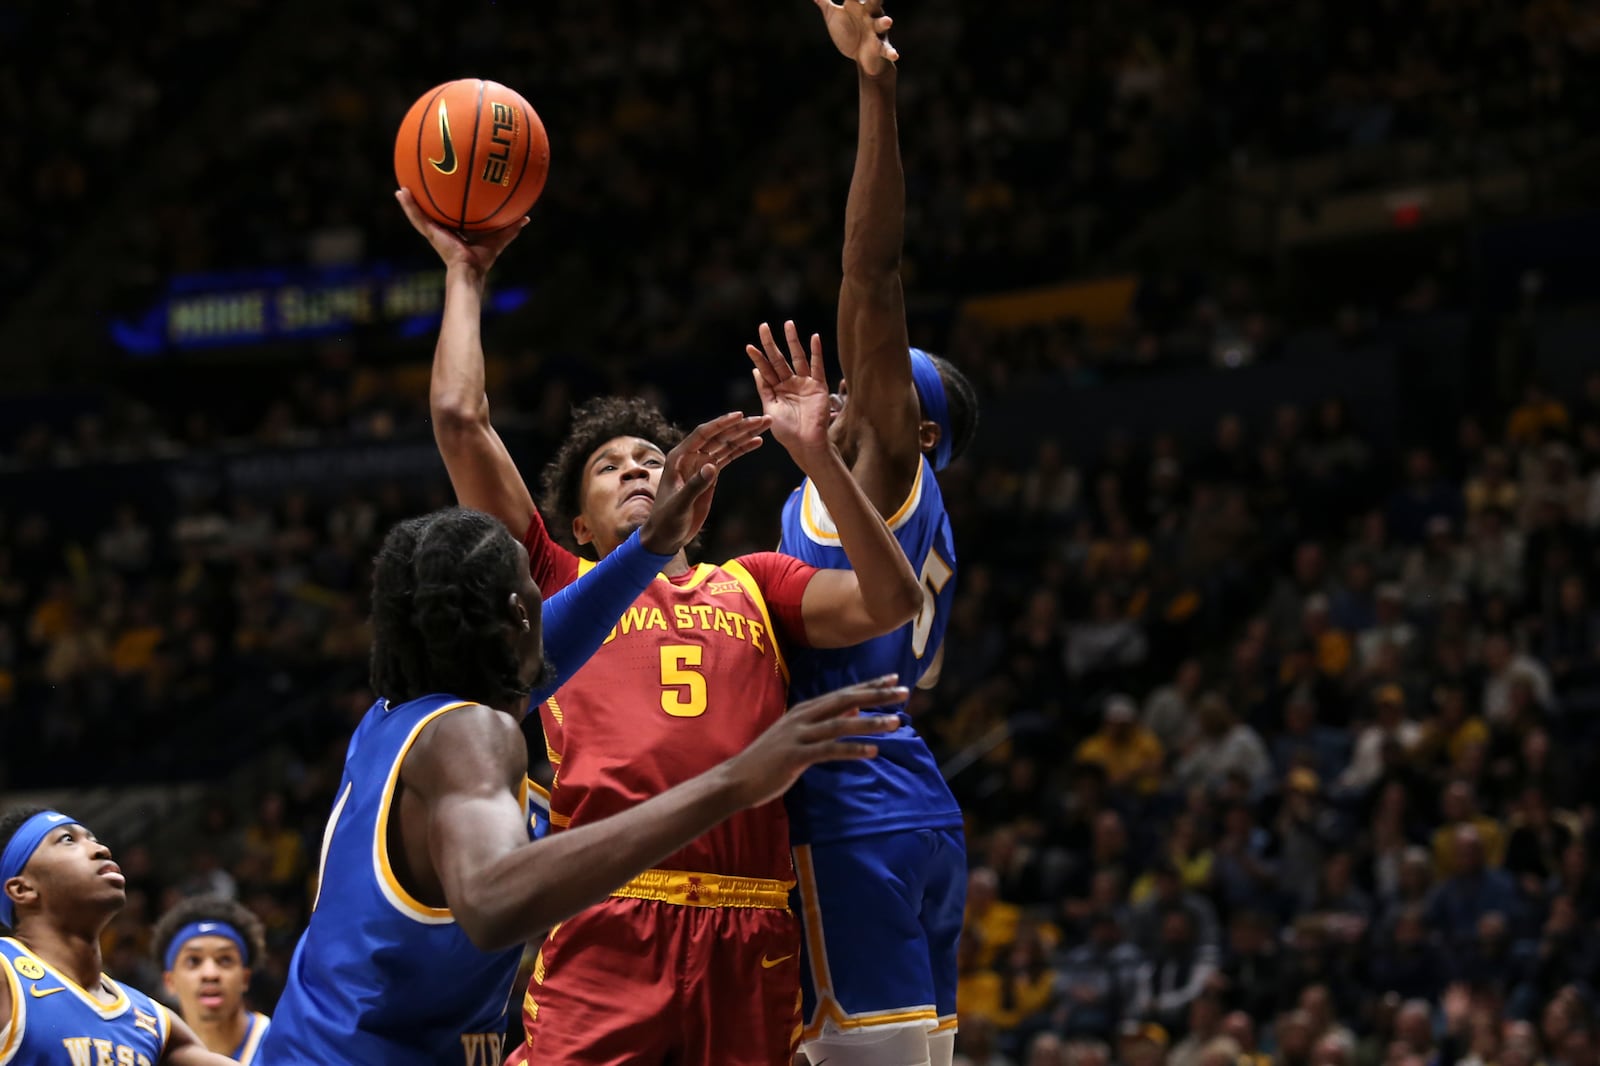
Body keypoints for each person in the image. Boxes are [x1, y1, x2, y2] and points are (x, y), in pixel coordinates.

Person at [408, 182, 924, 1061]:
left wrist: (814, 457)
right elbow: (461, 420)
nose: (640, 470)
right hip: (611, 909)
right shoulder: (558, 582)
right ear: (576, 526)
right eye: (610, 469)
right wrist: (463, 274)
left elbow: (892, 601)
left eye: (652, 458)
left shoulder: (756, 583)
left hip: (752, 921)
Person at [257, 504, 906, 1066]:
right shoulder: (472, 737)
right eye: (534, 591)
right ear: (518, 612)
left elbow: (568, 631)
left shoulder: (392, 720)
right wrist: (734, 782)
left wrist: (650, 544)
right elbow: (492, 902)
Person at [779, 3, 981, 1064]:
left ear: (921, 426)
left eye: (888, 374)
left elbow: (871, 275)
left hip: (856, 813)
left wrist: (872, 88)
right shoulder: (861, 497)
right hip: (910, 802)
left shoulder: (889, 468)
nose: (860, 366)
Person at [0, 808, 237, 1064]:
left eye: (92, 838)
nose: (101, 849)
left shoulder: (152, 1020)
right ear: (22, 888)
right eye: (67, 840)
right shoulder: (6, 972)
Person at [151, 895, 271, 1064]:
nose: (210, 974)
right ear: (170, 982)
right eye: (193, 961)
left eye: (225, 960)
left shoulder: (282, 1044)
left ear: (245, 978)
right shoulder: (153, 1054)